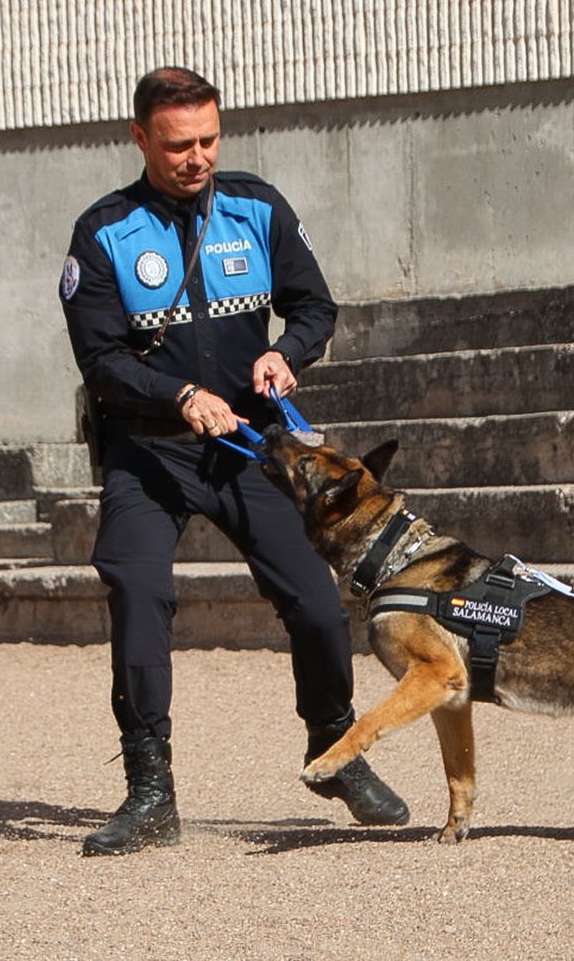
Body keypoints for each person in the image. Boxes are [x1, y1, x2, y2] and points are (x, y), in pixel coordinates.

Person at [58, 66, 409, 857]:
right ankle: (150, 791)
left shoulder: (258, 206)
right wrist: (180, 393)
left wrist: (287, 354)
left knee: (318, 608)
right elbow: (102, 358)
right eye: (179, 144)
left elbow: (314, 306)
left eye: (210, 140)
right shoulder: (103, 232)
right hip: (149, 452)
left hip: (250, 450)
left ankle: (336, 757)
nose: (197, 158)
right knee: (140, 592)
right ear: (140, 138)